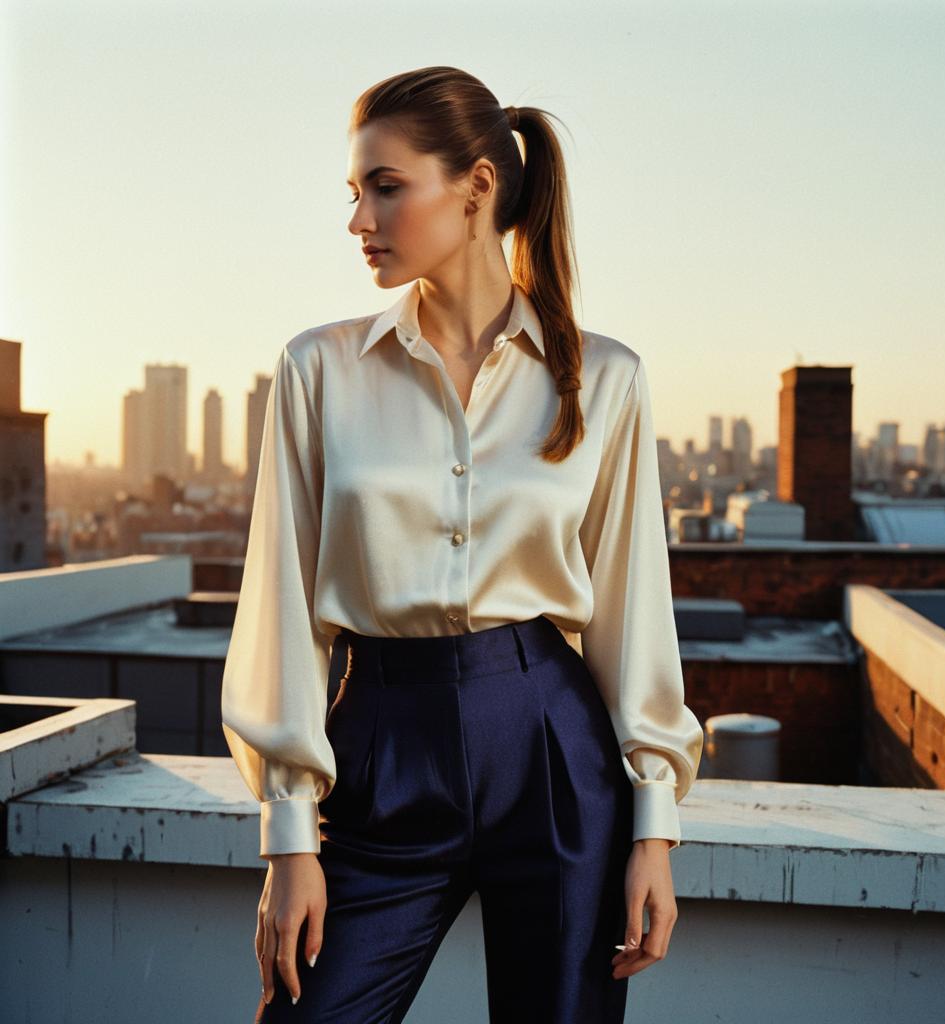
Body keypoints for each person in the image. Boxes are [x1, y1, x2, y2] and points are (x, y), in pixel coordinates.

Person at [220, 65, 704, 1023]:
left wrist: (654, 826)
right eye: (354, 193)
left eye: (385, 187)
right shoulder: (318, 368)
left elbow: (633, 611)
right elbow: (280, 604)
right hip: (379, 754)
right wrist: (288, 838)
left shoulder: (603, 379)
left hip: (552, 748)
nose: (358, 219)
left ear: (477, 187)